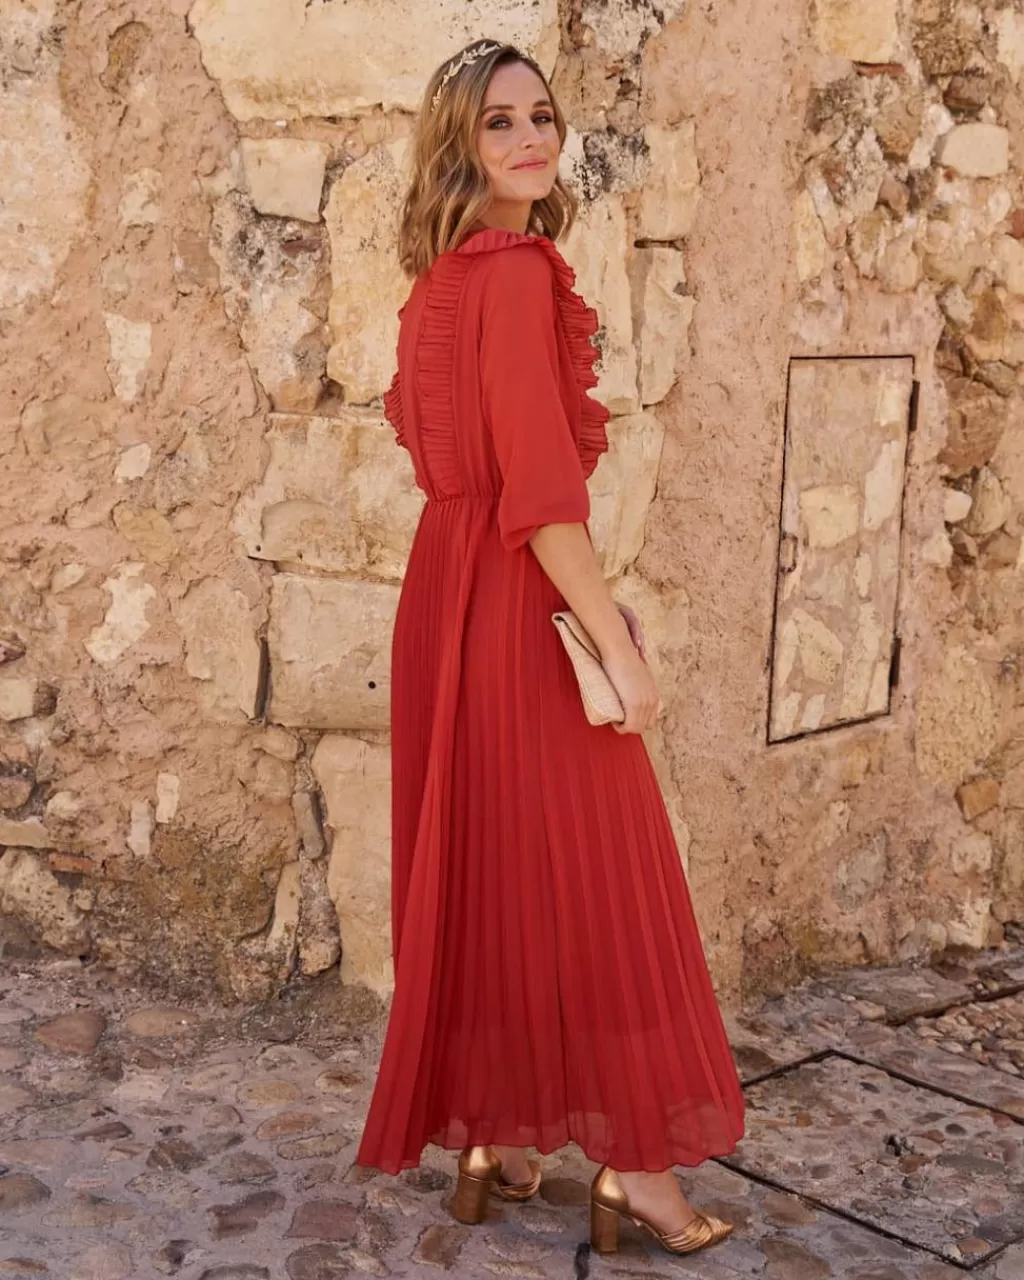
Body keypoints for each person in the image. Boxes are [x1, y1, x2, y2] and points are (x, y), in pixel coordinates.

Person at [355, 38, 745, 1259]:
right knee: (605, 870)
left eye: (541, 115)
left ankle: (498, 1139)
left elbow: (456, 468)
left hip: (444, 596)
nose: (530, 138)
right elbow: (536, 493)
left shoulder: (437, 283)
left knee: (486, 863)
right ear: (460, 145)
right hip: (518, 596)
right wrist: (614, 642)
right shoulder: (518, 275)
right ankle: (640, 1166)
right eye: (499, 122)